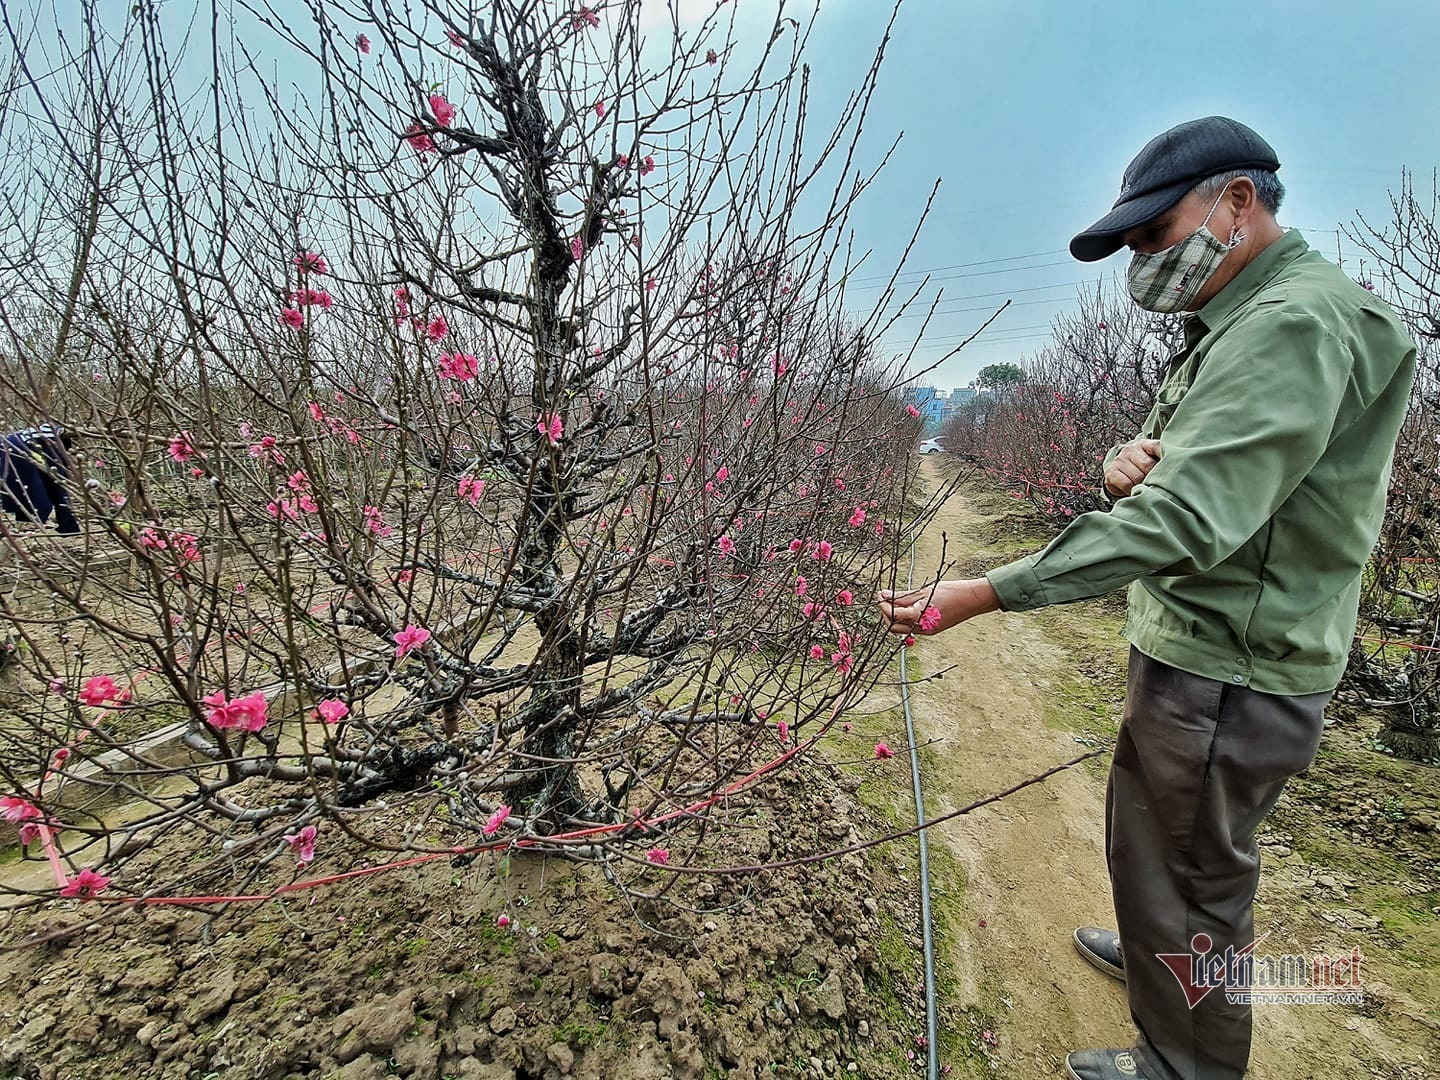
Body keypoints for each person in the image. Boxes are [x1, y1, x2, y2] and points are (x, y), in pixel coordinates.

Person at [878, 117, 1416, 1080]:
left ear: (1235, 203)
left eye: (1151, 236)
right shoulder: (1244, 320)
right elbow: (1180, 471)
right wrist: (1127, 462)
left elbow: (1185, 518)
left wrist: (990, 591)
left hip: (1233, 664)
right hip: (1202, 644)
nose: (1140, 264)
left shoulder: (1293, 324)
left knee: (1198, 876)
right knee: (1154, 844)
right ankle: (1153, 951)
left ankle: (1186, 1062)